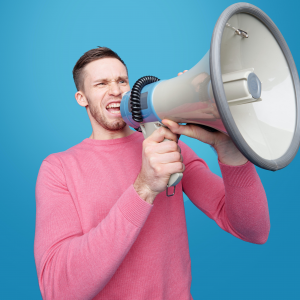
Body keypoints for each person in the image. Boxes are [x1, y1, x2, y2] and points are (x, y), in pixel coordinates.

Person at [34, 47, 270, 300]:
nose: (115, 90)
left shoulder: (168, 147)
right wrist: (144, 188)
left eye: (122, 81)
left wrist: (230, 151)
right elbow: (57, 290)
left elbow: (253, 230)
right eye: (101, 83)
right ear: (82, 98)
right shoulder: (58, 168)